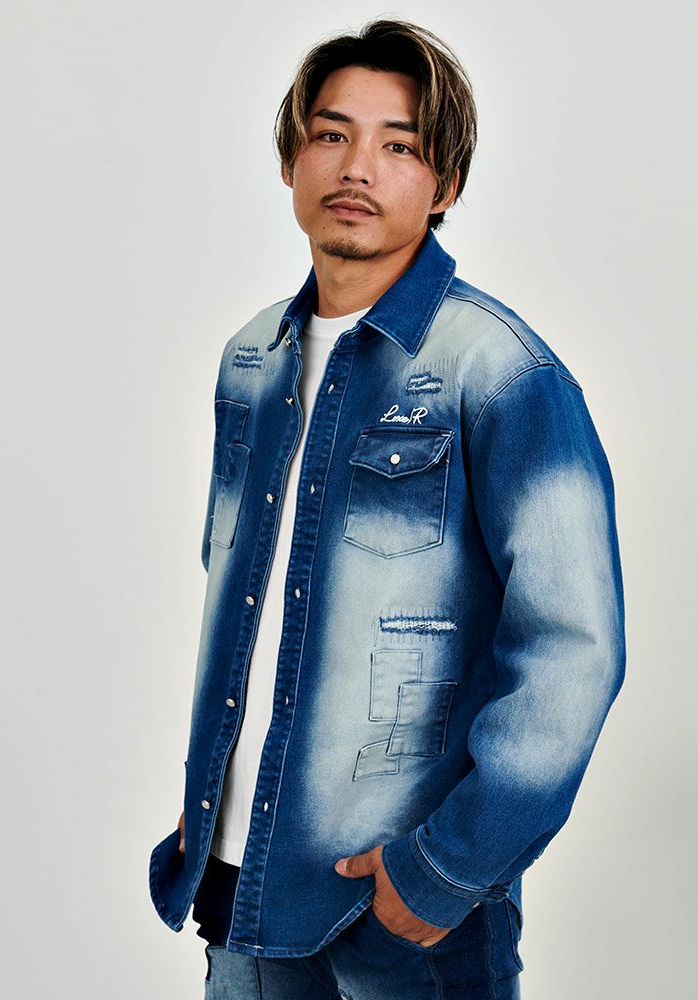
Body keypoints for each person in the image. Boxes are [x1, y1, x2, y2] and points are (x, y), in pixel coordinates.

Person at [148, 17, 626, 1000]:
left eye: (399, 145)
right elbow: (242, 601)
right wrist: (213, 795)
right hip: (238, 889)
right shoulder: (251, 361)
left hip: (401, 922)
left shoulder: (501, 372)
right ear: (291, 160)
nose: (357, 167)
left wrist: (448, 867)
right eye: (331, 134)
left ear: (444, 184)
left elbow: (573, 649)